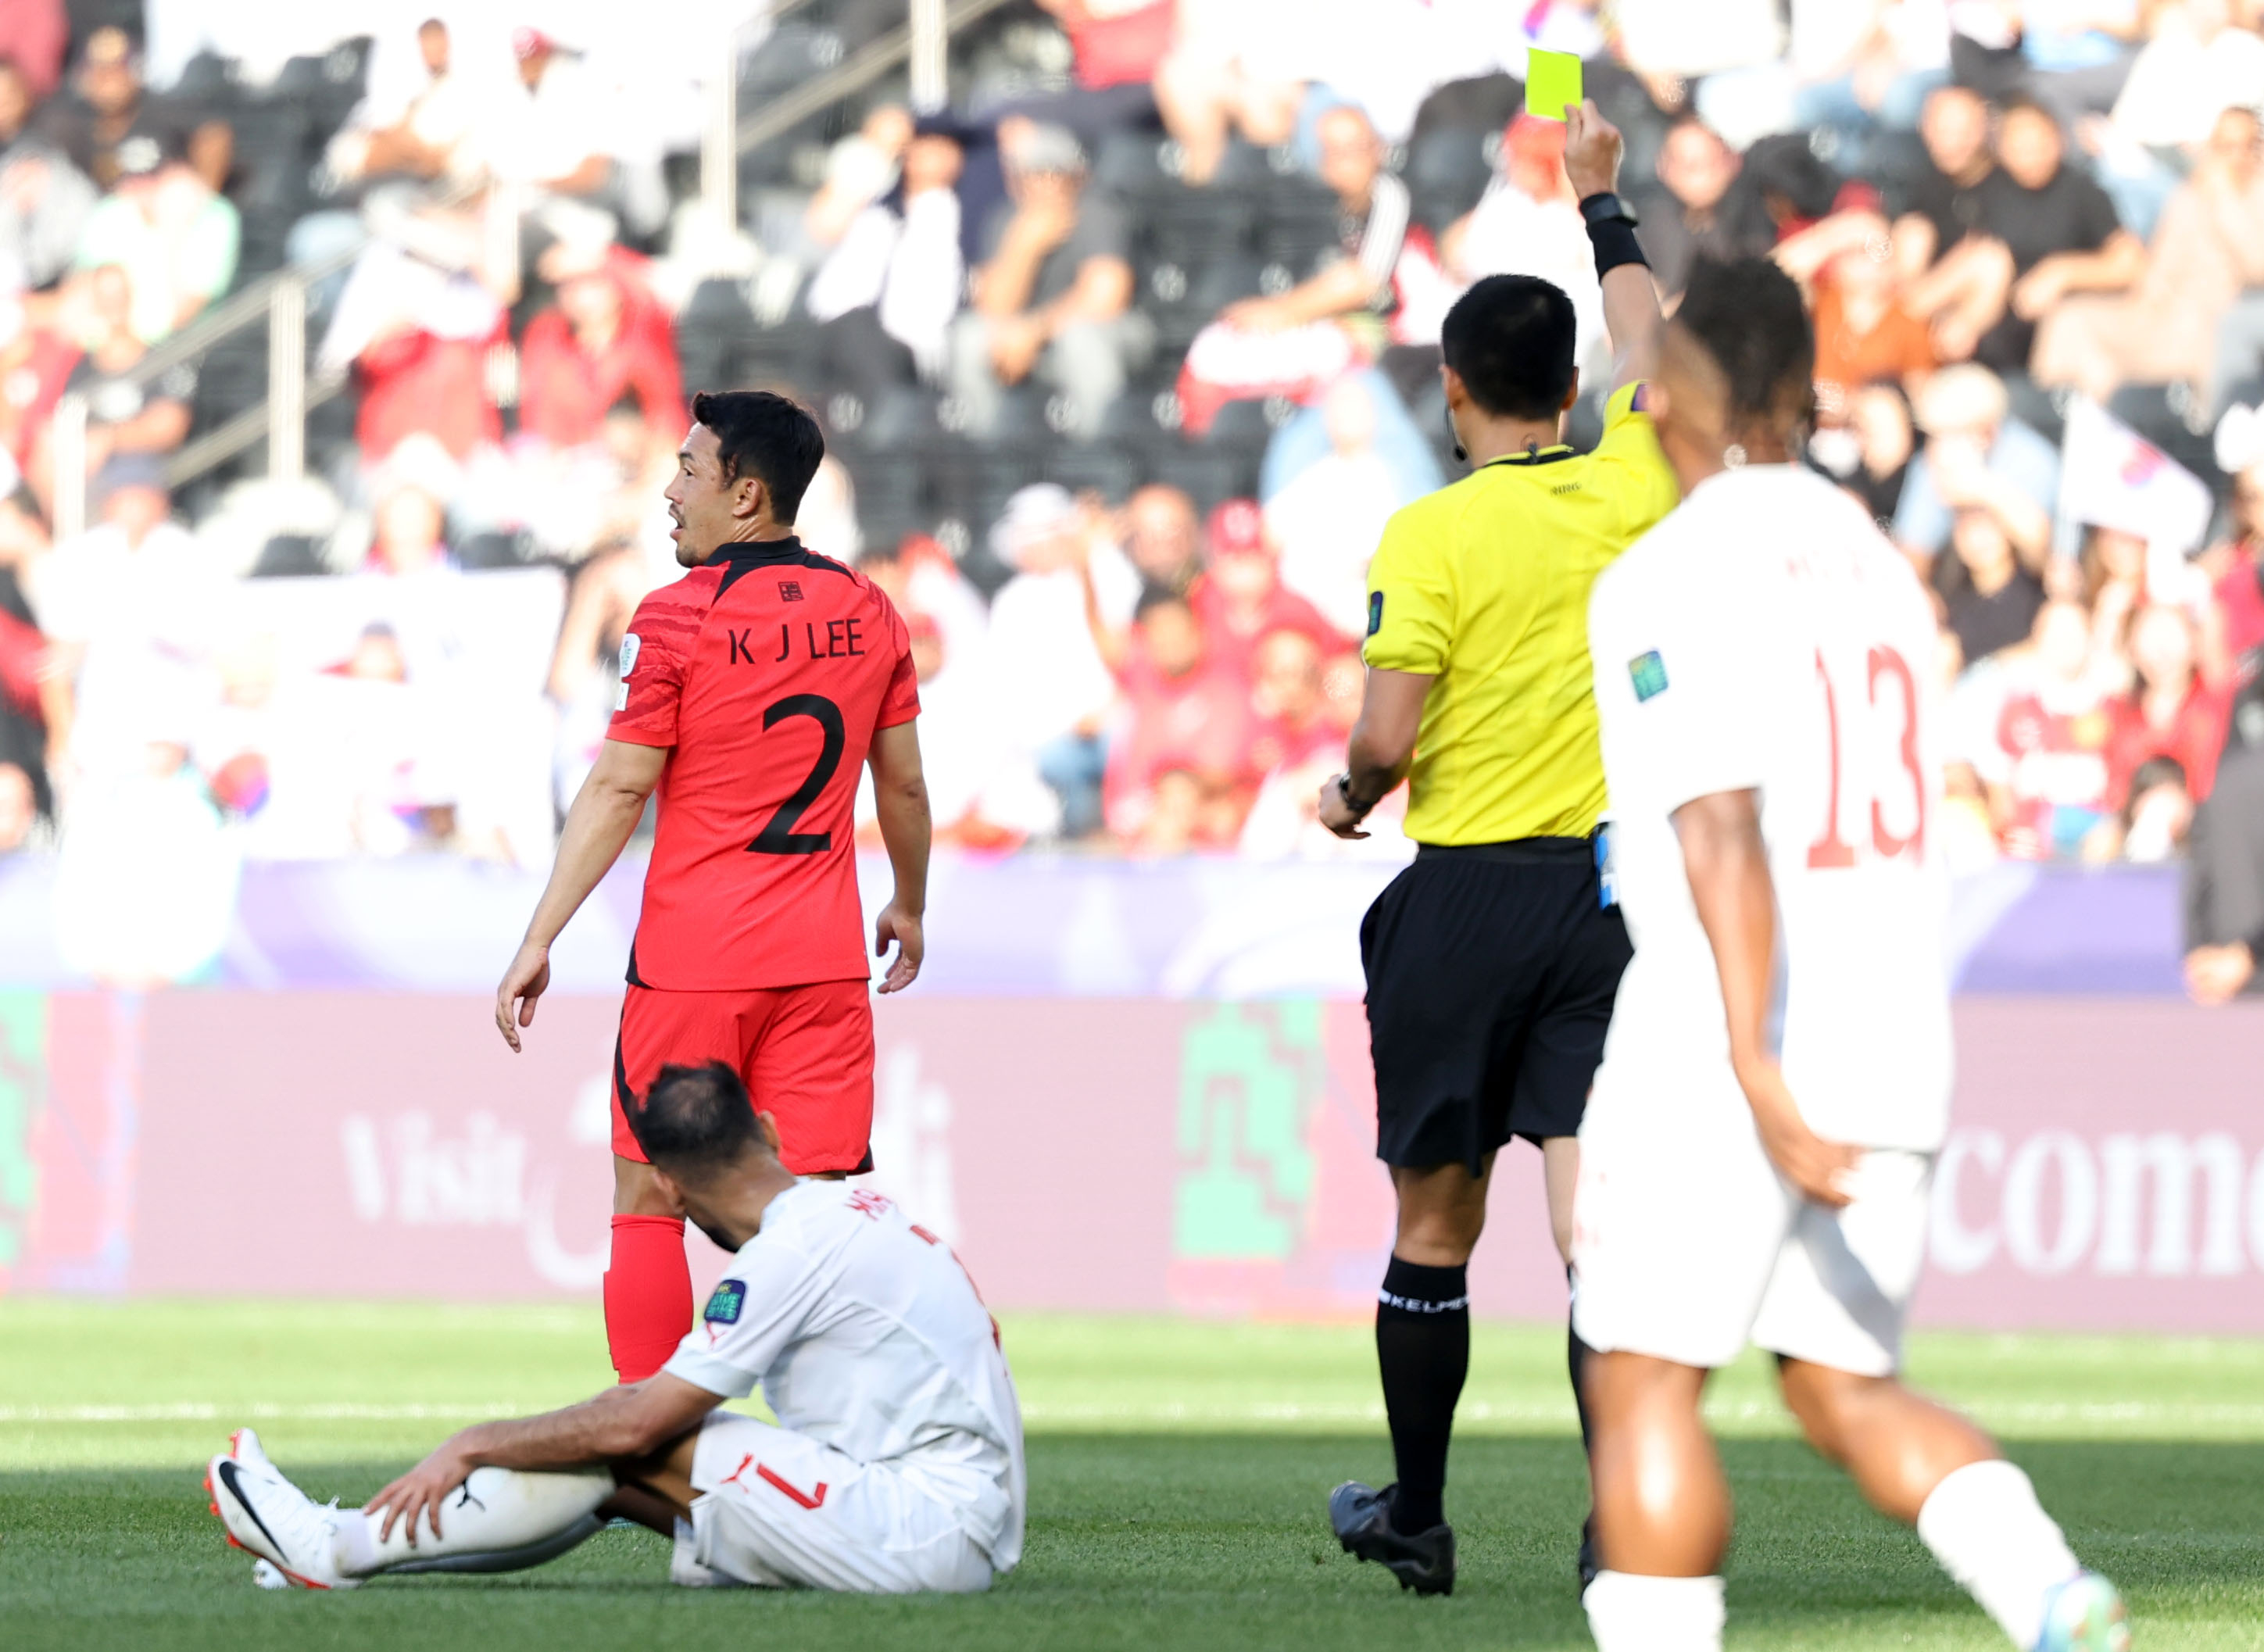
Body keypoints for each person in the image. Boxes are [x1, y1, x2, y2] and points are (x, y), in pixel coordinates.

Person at [1574, 253, 2126, 1652]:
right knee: (1838, 1385)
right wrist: (1603, 199)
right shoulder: (1877, 556)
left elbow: (1716, 825)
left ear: (1678, 390)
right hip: (1892, 1024)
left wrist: (1752, 1058)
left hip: (1736, 1024)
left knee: (1641, 1381)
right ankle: (2052, 1594)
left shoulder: (1666, 568)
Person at [1317, 102, 1676, 1597]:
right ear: (1571, 383)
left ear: (1456, 389)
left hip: (1461, 892)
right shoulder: (1635, 483)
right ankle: (1619, 1520)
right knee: (1598, 1229)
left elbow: (1389, 738)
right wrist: (1602, 205)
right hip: (1607, 899)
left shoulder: (1428, 533)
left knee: (1434, 1219)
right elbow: (1664, 355)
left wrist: (1347, 795)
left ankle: (1417, 1506)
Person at [491, 391, 933, 1388]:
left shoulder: (677, 617)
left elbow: (617, 783)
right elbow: (900, 782)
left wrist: (540, 934)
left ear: (745, 494)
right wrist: (908, 900)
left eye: (688, 470)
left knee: (649, 1193)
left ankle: (660, 1462)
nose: (668, 488)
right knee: (818, 1212)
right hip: (822, 966)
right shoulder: (868, 611)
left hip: (693, 962)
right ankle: (832, 1461)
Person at [209, 1060, 1023, 1595]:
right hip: (946, 1520)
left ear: (664, 1185)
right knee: (620, 1472)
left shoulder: (785, 1254)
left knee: (627, 1436)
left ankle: (333, 1547)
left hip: (924, 1530)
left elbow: (638, 1420)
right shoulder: (844, 1210)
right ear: (769, 1131)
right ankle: (345, 1547)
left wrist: (471, 1439)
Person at [947, 122, 1146, 442]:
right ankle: (985, 455)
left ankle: (1098, 452)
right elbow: (991, 307)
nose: (1044, 182)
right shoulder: (1006, 219)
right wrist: (1023, 248)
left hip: (1114, 332)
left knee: (1080, 338)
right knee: (969, 336)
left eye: (1055, 172)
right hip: (1029, 340)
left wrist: (1034, 329)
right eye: (1033, 173)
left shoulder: (1097, 211)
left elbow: (1107, 296)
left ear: (1077, 176)